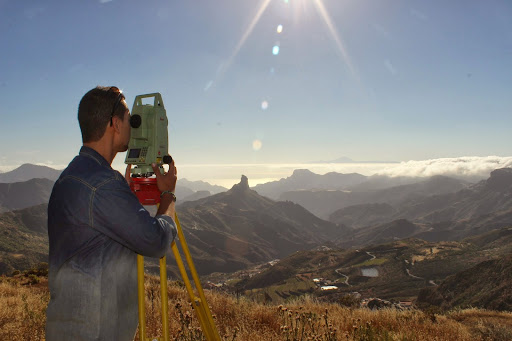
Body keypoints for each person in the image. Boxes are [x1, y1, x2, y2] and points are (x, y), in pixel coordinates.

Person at [46, 86, 177, 340]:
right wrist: (168, 194)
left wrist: (124, 196)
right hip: (94, 331)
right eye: (130, 119)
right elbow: (156, 241)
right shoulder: (103, 186)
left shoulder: (70, 177)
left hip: (67, 324)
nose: (133, 126)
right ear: (115, 124)